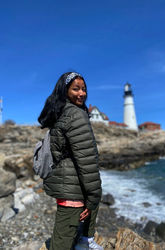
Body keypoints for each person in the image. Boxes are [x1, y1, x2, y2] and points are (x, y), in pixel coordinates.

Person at [38, 72, 103, 250]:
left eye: (83, 89)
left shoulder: (62, 112)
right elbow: (87, 161)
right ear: (65, 91)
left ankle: (84, 240)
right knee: (62, 241)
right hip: (71, 188)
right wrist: (93, 197)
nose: (81, 93)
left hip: (65, 180)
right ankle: (84, 240)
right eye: (75, 89)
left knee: (66, 232)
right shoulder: (75, 114)